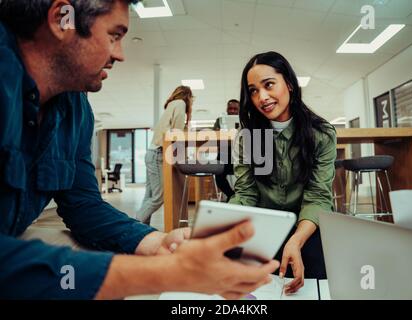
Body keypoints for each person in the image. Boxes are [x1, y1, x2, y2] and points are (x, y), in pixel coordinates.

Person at [0, 0, 279, 299]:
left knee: (84, 252)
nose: (119, 54)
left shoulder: (76, 109)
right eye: (114, 36)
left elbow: (84, 207)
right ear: (62, 19)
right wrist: (166, 273)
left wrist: (158, 243)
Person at [229, 51, 337, 294]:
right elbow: (245, 194)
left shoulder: (321, 134)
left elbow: (318, 197)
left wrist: (296, 240)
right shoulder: (250, 137)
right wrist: (225, 227)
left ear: (288, 83)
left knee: (314, 284)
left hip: (306, 227)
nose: (261, 97)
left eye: (268, 85)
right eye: (253, 91)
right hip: (263, 226)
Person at [136, 85, 193, 225]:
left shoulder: (172, 105)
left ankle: (142, 229)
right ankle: (134, 225)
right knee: (159, 197)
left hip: (152, 153)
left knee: (149, 196)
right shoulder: (180, 104)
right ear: (188, 97)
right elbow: (177, 133)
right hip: (158, 154)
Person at [212, 99, 240, 201]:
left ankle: (242, 195)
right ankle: (231, 195)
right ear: (227, 109)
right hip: (224, 152)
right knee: (218, 174)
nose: (232, 111)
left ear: (239, 110)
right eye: (230, 108)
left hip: (240, 153)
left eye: (235, 109)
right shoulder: (219, 120)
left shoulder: (244, 119)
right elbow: (214, 135)